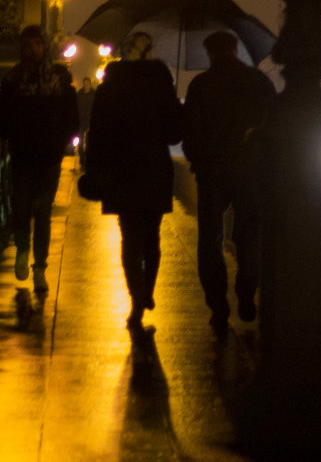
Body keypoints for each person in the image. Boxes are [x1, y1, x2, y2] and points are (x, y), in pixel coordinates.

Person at [84, 31, 183, 329]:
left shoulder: (110, 85)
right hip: (154, 169)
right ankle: (148, 291)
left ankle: (136, 298)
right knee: (152, 236)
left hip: (120, 171)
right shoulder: (162, 82)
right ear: (149, 51)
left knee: (129, 238)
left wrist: (94, 171)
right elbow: (174, 133)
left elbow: (97, 134)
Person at [182, 30, 276, 331]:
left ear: (210, 53)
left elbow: (190, 134)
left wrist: (199, 158)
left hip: (212, 172)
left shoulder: (201, 85)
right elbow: (272, 124)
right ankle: (247, 289)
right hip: (250, 170)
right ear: (237, 49)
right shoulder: (259, 82)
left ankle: (218, 306)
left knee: (210, 240)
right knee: (250, 234)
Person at [0, 24, 79, 294]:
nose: (31, 49)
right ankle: (23, 250)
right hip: (22, 156)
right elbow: (1, 118)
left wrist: (60, 141)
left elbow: (72, 117)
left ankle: (40, 268)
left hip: (48, 158)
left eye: (36, 44)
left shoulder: (59, 79)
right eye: (27, 44)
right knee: (21, 209)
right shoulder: (12, 80)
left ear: (44, 47)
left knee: (42, 212)